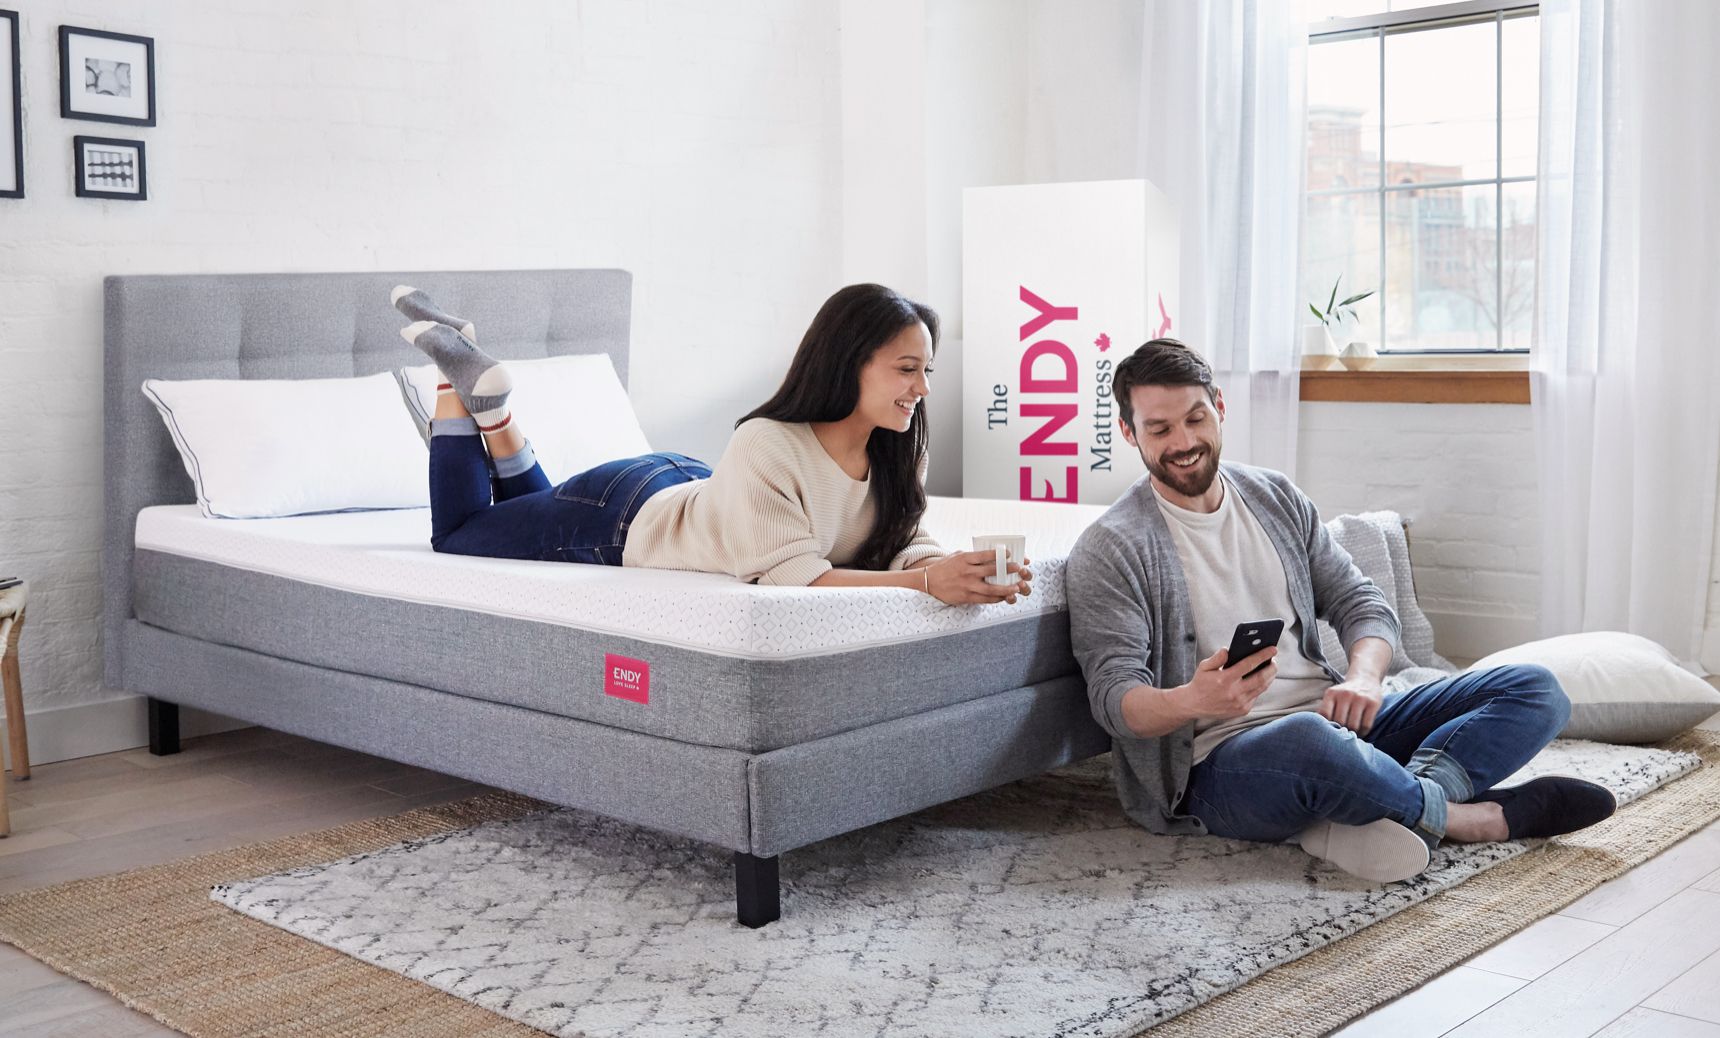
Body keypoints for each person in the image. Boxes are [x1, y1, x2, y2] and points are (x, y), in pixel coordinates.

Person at [1065, 338, 1615, 881]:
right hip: (1214, 766)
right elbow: (1115, 702)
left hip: (1334, 724)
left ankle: (1396, 807)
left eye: (1195, 418)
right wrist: (1194, 698)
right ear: (1129, 432)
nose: (1183, 442)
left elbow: (1362, 603)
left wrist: (1364, 678)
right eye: (1159, 430)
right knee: (1310, 742)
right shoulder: (1113, 547)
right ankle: (1474, 819)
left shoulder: (1273, 497)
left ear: (1219, 408)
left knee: (1536, 689)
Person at [392, 283, 1031, 605]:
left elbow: (902, 539)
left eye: (926, 370)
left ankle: (494, 412)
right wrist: (924, 588)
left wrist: (953, 571)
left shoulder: (897, 446)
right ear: (848, 363)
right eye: (905, 369)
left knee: (524, 515)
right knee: (462, 530)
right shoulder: (769, 445)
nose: (921, 387)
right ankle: (456, 383)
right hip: (623, 517)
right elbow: (792, 578)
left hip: (695, 486)